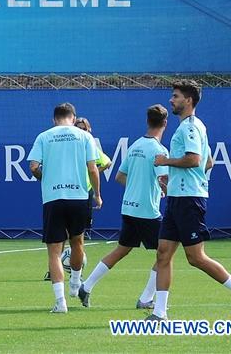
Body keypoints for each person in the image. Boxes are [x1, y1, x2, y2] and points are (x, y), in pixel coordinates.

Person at [147, 81, 231, 324]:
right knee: (163, 253)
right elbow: (207, 163)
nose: (171, 100)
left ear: (188, 100)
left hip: (189, 200)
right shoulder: (192, 127)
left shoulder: (190, 128)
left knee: (195, 257)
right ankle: (159, 313)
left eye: (175, 96)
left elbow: (195, 160)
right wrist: (174, 180)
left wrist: (166, 161)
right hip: (178, 197)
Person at [77, 105, 170, 309]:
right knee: (167, 253)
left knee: (122, 250)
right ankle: (146, 298)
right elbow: (164, 179)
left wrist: (139, 187)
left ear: (147, 122)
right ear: (165, 123)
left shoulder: (136, 145)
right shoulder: (159, 150)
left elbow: (120, 177)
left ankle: (87, 286)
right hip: (147, 211)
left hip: (129, 208)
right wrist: (163, 188)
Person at [28, 102, 100, 313]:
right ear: (73, 116)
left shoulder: (44, 136)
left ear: (54, 119)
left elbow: (33, 166)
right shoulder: (84, 136)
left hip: (54, 197)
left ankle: (61, 303)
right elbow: (93, 169)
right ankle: (76, 284)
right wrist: (97, 194)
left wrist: (45, 177)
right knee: (78, 242)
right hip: (78, 196)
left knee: (54, 251)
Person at [43, 116, 111, 281]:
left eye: (84, 128)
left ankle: (76, 274)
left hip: (83, 193)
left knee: (77, 237)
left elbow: (107, 162)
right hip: (65, 192)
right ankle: (55, 269)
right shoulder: (67, 143)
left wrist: (90, 176)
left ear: (89, 130)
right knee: (61, 235)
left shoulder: (89, 144)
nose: (81, 130)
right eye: (78, 127)